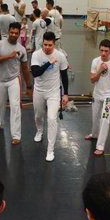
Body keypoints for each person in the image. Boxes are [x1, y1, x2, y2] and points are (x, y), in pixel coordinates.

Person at [0, 21, 32, 144]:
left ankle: (16, 135)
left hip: (14, 80)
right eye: (12, 32)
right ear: (8, 32)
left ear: (19, 34)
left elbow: (24, 68)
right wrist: (8, 56)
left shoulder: (22, 49)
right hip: (0, 80)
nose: (13, 34)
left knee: (15, 107)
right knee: (0, 104)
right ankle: (0, 120)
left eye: (16, 33)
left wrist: (29, 86)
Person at [31, 31, 69, 162]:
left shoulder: (60, 56)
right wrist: (49, 62)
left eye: (50, 45)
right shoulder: (36, 54)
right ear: (42, 43)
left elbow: (64, 75)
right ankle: (39, 131)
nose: (47, 47)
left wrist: (66, 94)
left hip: (53, 92)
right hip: (39, 91)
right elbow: (36, 73)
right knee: (38, 115)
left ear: (54, 44)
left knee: (52, 119)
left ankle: (50, 150)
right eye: (45, 44)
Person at [85, 39, 110, 156]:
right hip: (97, 93)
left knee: (105, 119)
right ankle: (94, 134)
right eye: (101, 50)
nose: (103, 53)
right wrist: (100, 70)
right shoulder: (95, 61)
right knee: (95, 116)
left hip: (108, 95)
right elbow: (92, 80)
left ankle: (100, 146)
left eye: (106, 51)